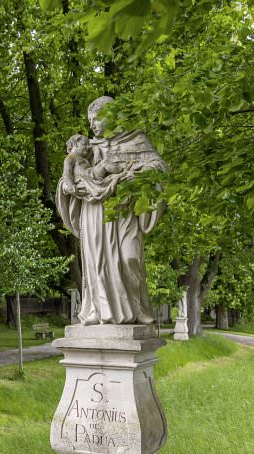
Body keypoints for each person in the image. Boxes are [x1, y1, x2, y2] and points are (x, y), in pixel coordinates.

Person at [55, 96, 167, 325]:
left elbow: (160, 168)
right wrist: (73, 186)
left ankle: (138, 307)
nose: (93, 125)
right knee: (99, 265)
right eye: (90, 121)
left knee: (130, 257)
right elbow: (69, 177)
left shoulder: (135, 141)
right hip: (95, 213)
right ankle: (101, 309)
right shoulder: (88, 149)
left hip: (123, 212)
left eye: (97, 119)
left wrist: (136, 176)